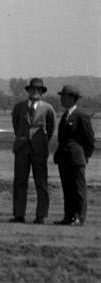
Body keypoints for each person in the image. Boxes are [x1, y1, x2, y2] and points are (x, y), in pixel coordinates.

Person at [10, 78, 57, 224]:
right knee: (20, 182)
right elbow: (16, 126)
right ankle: (19, 214)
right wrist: (23, 139)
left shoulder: (48, 108)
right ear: (28, 91)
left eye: (39, 90)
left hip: (39, 149)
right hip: (22, 148)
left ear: (42, 92)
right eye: (33, 89)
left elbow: (51, 128)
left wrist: (42, 142)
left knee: (41, 182)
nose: (35, 91)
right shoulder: (19, 107)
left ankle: (41, 215)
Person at [54, 85, 94, 226]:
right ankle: (69, 216)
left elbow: (89, 139)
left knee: (78, 189)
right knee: (67, 188)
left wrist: (85, 156)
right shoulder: (65, 115)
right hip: (64, 158)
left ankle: (79, 217)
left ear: (71, 98)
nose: (61, 99)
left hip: (76, 158)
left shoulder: (81, 115)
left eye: (63, 96)